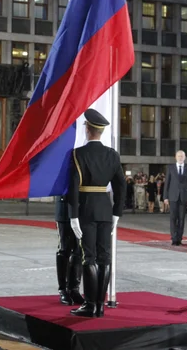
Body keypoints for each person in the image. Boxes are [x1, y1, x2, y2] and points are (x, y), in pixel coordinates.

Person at [66, 109, 126, 318]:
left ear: (88, 130)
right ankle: (100, 306)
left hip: (86, 209)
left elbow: (73, 187)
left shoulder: (77, 154)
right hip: (105, 209)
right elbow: (121, 186)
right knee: (104, 258)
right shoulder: (112, 155)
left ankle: (91, 305)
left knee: (88, 257)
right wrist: (117, 213)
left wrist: (73, 216)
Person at [163, 150, 187, 246]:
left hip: (184, 197)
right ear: (175, 157)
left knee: (181, 218)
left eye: (182, 156)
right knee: (173, 218)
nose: (180, 158)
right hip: (173, 196)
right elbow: (167, 183)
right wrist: (165, 197)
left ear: (184, 157)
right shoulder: (170, 168)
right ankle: (174, 237)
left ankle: (179, 238)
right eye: (179, 156)